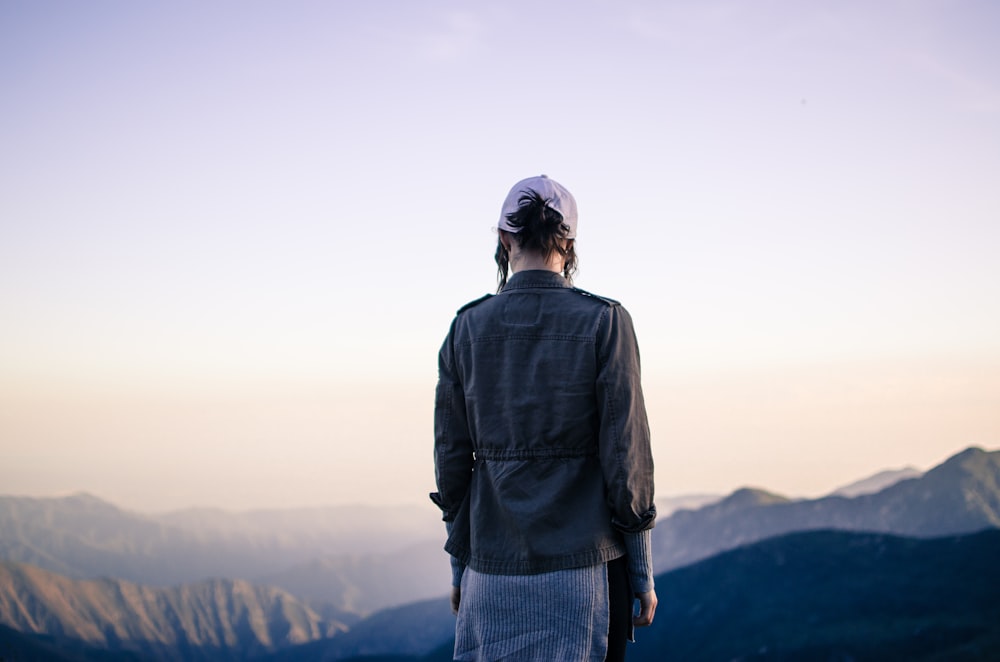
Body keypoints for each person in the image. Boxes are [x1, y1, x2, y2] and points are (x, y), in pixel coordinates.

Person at [431, 175, 657, 661]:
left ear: (503, 239)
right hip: (584, 577)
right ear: (569, 244)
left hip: (489, 574)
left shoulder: (465, 329)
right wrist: (641, 572)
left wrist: (459, 570)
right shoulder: (604, 321)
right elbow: (626, 458)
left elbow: (452, 466)